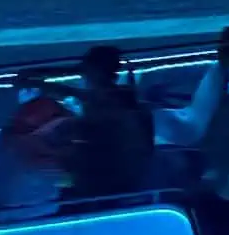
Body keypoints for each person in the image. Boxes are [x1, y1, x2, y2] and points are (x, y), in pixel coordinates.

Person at [18, 45, 154, 199]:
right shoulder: (121, 97)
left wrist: (38, 81)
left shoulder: (108, 103)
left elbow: (76, 95)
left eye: (87, 70)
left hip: (108, 178)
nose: (84, 75)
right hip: (120, 176)